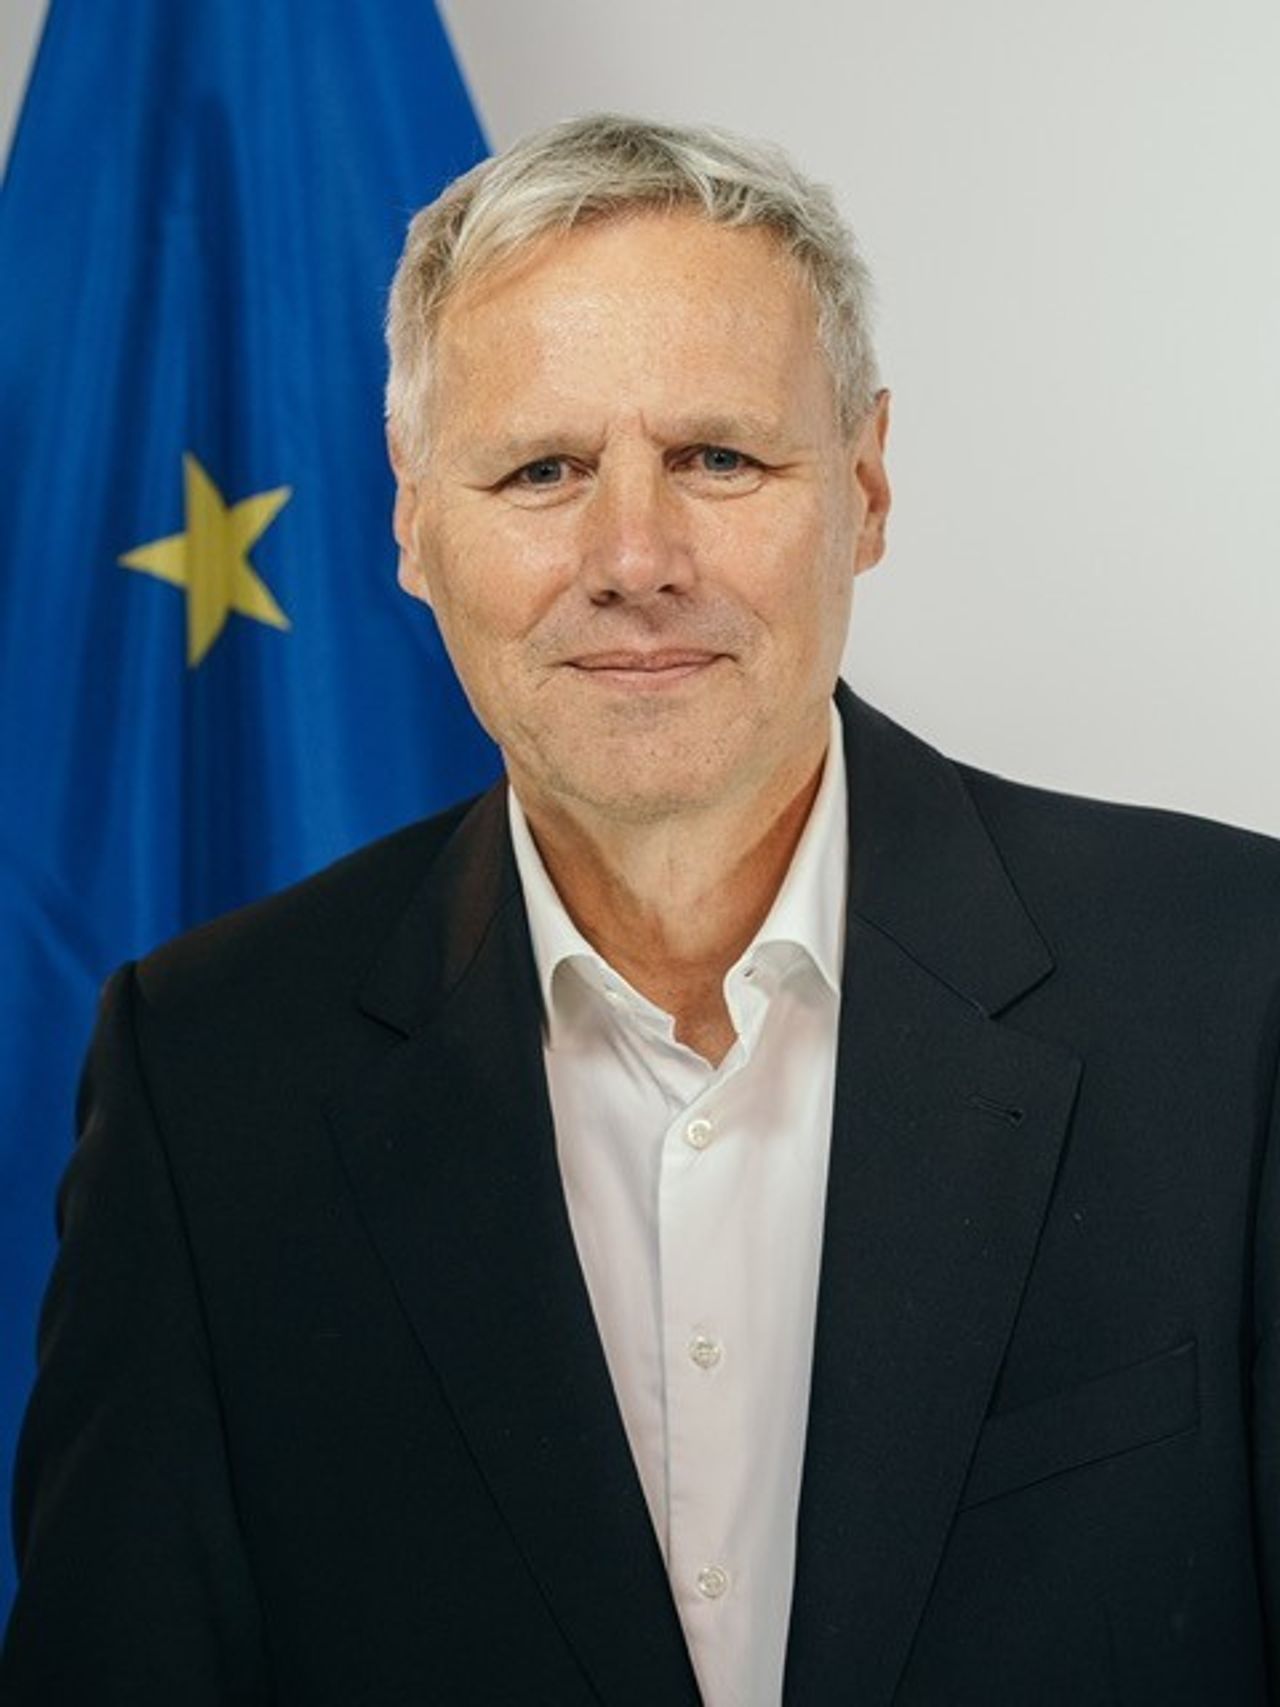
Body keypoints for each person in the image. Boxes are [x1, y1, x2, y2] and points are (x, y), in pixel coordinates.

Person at [2, 113, 1277, 1707]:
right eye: (541, 470)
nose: (633, 557)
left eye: (717, 458)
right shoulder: (206, 1078)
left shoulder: (1236, 994)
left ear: (866, 485)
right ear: (413, 520)